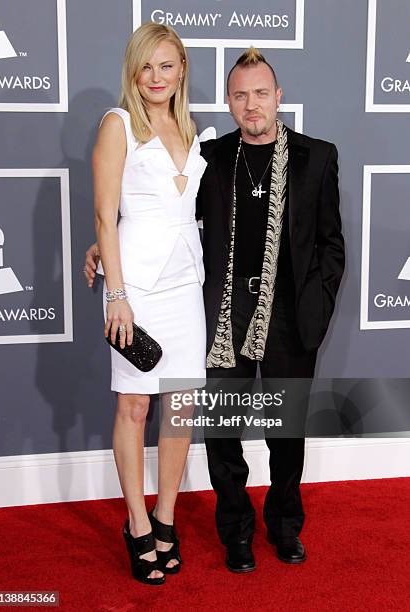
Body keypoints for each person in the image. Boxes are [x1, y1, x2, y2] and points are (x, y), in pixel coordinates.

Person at [86, 48, 345, 573]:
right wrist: (102, 246)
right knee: (223, 434)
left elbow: (330, 243)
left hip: (290, 316)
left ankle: (285, 526)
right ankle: (236, 533)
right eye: (241, 95)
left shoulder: (318, 156)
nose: (252, 105)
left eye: (262, 94)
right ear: (228, 102)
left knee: (286, 431)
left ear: (279, 97)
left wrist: (315, 308)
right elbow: (163, 209)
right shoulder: (215, 155)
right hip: (221, 311)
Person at [91, 22, 208, 585]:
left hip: (187, 286)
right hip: (134, 289)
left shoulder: (190, 127)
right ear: (133, 72)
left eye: (167, 65)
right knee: (135, 408)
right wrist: (116, 295)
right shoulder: (118, 125)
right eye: (146, 67)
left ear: (181, 68)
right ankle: (136, 523)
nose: (156, 77)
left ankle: (166, 516)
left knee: (181, 408)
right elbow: (105, 215)